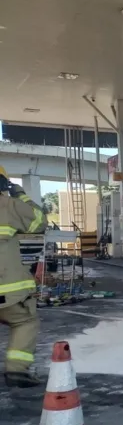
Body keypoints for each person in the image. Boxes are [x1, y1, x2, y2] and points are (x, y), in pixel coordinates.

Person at [0, 165, 48, 388]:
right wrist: (19, 194)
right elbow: (39, 221)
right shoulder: (8, 205)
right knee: (25, 322)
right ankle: (16, 370)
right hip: (8, 293)